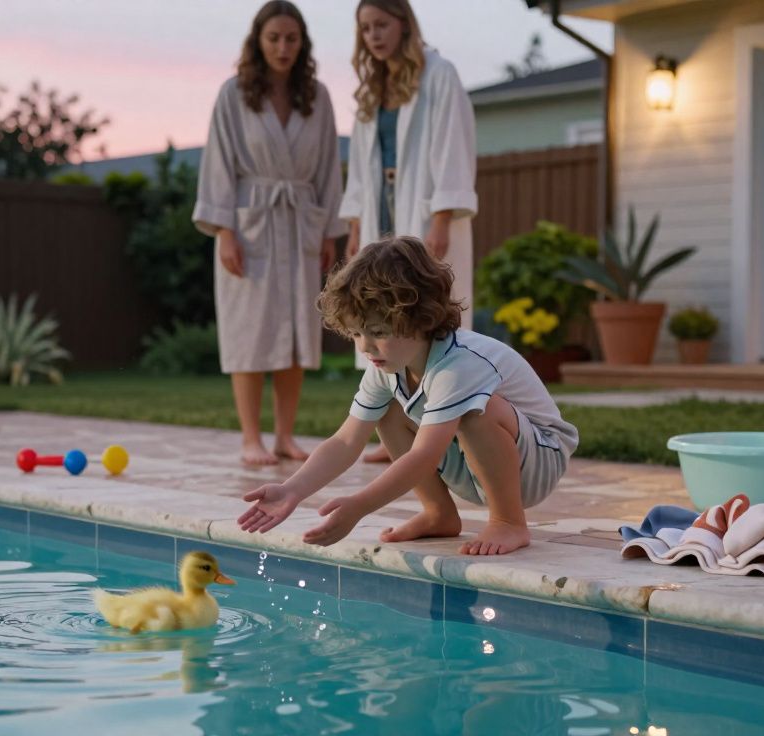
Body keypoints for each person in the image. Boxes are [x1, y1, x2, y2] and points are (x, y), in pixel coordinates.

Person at [237, 237, 578, 556]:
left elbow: (425, 456)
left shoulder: (461, 363)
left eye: (378, 332)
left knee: (480, 410)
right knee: (387, 410)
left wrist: (360, 506)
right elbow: (345, 441)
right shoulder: (388, 367)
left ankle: (508, 521)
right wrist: (292, 490)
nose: (365, 346)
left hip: (537, 463)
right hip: (479, 463)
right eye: (356, 333)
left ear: (421, 319)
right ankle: (438, 514)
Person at [194, 1, 347, 466]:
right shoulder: (234, 94)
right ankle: (250, 438)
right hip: (250, 223)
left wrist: (328, 231)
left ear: (303, 44)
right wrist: (224, 231)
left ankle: (283, 436)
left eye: (291, 39)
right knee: (249, 332)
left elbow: (328, 167)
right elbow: (218, 164)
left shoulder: (316, 96)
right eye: (274, 38)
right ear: (258, 42)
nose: (283, 47)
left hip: (300, 222)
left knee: (297, 331)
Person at [340, 0, 478, 463]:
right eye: (366, 29)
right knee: (380, 312)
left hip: (423, 205)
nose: (374, 36)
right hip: (380, 208)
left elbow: (454, 146)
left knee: (425, 312)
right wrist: (356, 225)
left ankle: (441, 430)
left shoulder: (439, 75)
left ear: (403, 24)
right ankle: (396, 433)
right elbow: (359, 165)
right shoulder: (372, 89)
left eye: (381, 25)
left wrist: (442, 216)